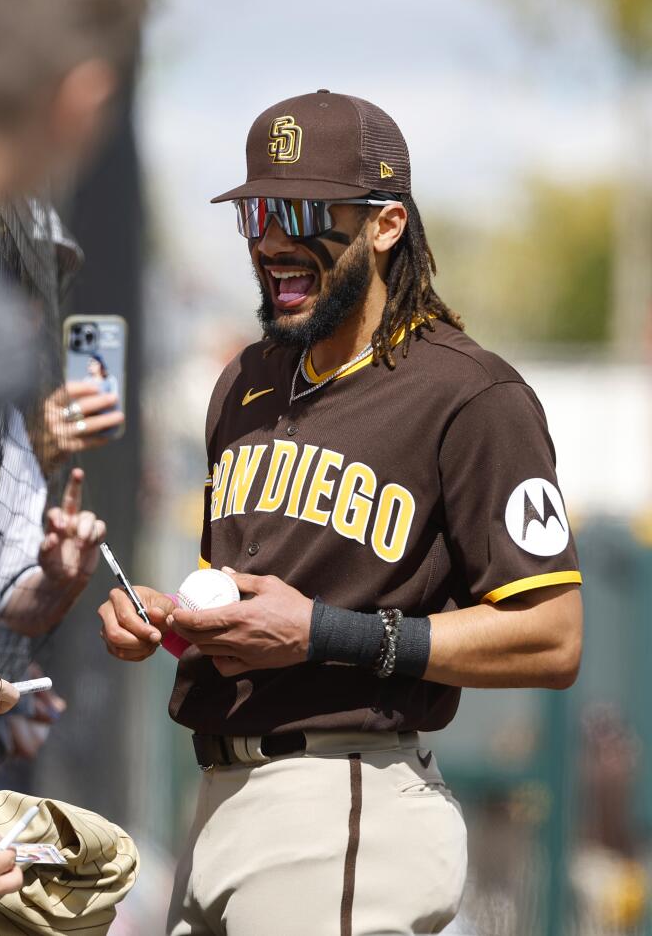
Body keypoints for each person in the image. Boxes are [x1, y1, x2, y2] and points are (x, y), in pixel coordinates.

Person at [98, 90, 583, 935]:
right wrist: (172, 620)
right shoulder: (244, 381)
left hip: (345, 802)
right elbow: (248, 591)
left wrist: (329, 633)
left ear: (386, 225)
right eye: (255, 212)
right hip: (217, 801)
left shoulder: (469, 395)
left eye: (302, 210)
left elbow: (554, 636)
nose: (271, 240)